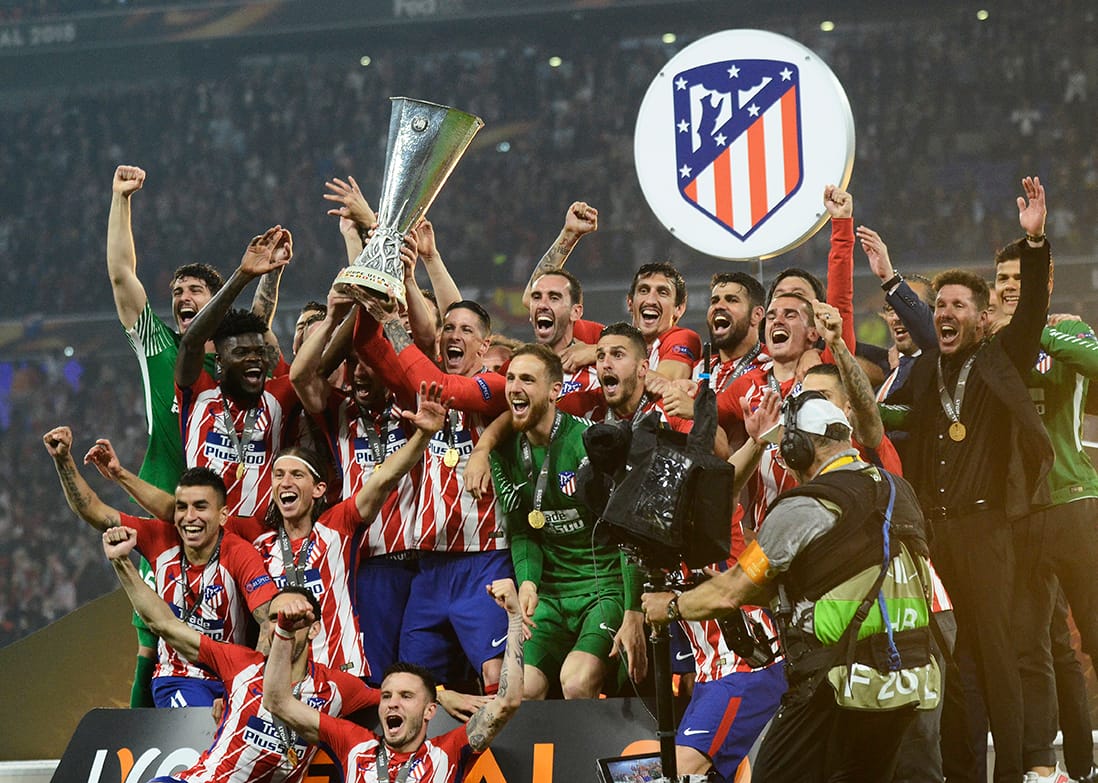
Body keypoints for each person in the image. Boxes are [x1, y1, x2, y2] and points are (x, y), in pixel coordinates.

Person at [642, 394, 939, 782]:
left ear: (800, 447)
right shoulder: (898, 489)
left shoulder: (803, 506)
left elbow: (730, 592)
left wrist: (671, 607)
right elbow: (839, 573)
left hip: (834, 680)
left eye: (786, 448)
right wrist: (753, 590)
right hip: (906, 678)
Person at [886, 176, 1053, 782]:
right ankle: (961, 775)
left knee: (997, 657)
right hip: (936, 538)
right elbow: (914, 330)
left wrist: (1034, 244)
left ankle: (1010, 773)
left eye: (959, 305)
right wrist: (891, 283)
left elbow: (1030, 313)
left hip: (988, 531)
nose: (945, 313)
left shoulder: (1001, 360)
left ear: (983, 318)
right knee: (951, 662)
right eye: (940, 306)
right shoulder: (929, 369)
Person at [102, 524, 378, 783]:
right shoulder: (241, 663)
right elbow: (165, 624)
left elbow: (393, 697)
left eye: (294, 619)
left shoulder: (336, 687)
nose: (283, 625)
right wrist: (121, 562)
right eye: (275, 618)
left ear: (314, 629)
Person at [44, 426, 278, 708]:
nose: (189, 517)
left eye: (200, 507)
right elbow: (93, 509)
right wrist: (63, 460)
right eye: (181, 507)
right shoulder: (161, 537)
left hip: (232, 681)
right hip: (178, 679)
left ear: (222, 516)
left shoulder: (240, 553)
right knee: (202, 720)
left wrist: (255, 686)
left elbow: (269, 620)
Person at [352, 297, 512, 691]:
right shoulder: (420, 393)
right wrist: (372, 293)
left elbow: (446, 387)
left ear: (485, 345)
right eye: (449, 328)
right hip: (431, 567)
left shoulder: (495, 387)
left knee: (497, 675)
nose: (454, 335)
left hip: (484, 561)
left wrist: (393, 322)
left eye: (466, 330)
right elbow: (366, 345)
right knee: (412, 681)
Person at [991, 240, 1098, 783]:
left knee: (1093, 636)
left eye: (1021, 277)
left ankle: (1080, 760)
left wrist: (1032, 328)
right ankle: (1043, 765)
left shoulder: (1069, 329)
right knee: (1029, 646)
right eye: (1003, 279)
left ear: (1044, 282)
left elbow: (1095, 363)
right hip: (1018, 515)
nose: (1011, 286)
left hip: (1074, 499)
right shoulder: (989, 344)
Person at [487, 343, 646, 699]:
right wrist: (528, 583)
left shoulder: (592, 444)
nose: (515, 388)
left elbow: (628, 533)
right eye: (511, 378)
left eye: (527, 379)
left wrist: (633, 609)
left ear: (554, 390)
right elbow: (523, 530)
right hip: (551, 595)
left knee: (576, 682)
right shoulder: (503, 452)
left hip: (602, 588)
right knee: (521, 689)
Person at [263, 579, 527, 783]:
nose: (392, 703)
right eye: (387, 695)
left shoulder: (448, 752)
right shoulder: (353, 743)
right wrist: (285, 633)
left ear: (430, 710)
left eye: (406, 696)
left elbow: (507, 701)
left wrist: (515, 619)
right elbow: (277, 701)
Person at [176, 226, 299, 517]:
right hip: (205, 535)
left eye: (259, 353)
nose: (253, 359)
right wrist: (243, 275)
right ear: (220, 362)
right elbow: (191, 342)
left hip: (262, 537)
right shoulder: (199, 394)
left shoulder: (278, 397)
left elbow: (260, 327)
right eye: (241, 354)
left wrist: (273, 273)